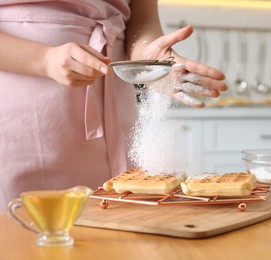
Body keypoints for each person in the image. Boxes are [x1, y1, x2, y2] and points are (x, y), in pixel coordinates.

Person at [0, 0, 227, 213]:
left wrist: (151, 59)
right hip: (24, 107)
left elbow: (142, 22)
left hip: (115, 106)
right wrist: (44, 59)